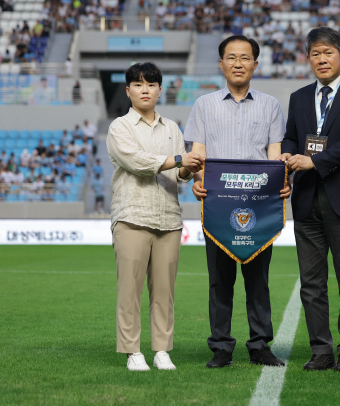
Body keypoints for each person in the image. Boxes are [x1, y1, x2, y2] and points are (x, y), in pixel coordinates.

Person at [184, 35, 289, 369]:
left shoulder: (270, 105)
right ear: (221, 64)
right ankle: (221, 346)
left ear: (255, 64)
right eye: (231, 57)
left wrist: (282, 183)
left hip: (259, 208)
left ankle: (259, 345)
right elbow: (197, 155)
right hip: (217, 207)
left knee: (258, 281)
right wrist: (197, 183)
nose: (238, 63)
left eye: (245, 57)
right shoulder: (204, 105)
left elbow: (275, 157)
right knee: (220, 281)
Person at [278, 26, 340, 372]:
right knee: (312, 283)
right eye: (315, 54)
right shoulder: (299, 97)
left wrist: (314, 161)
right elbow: (290, 137)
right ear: (309, 59)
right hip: (306, 199)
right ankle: (320, 349)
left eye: (328, 53)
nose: (322, 59)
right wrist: (287, 158)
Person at [107, 62, 203, 372]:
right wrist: (179, 159)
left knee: (164, 292)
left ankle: (161, 350)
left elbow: (180, 174)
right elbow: (136, 161)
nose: (144, 89)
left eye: (151, 84)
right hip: (132, 216)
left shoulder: (172, 128)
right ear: (128, 90)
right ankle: (132, 351)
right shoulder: (119, 127)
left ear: (160, 89)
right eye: (138, 84)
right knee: (129, 291)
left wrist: (190, 167)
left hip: (169, 220)